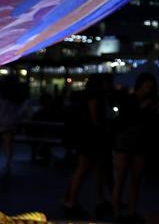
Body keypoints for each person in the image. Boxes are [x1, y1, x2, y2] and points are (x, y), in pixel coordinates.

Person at [63, 73, 113, 219]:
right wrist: (104, 128)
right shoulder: (95, 97)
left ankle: (71, 200)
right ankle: (72, 201)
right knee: (85, 169)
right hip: (92, 138)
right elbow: (95, 120)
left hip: (86, 137)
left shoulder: (86, 96)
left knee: (84, 170)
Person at [110, 72, 158, 223]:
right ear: (140, 85)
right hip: (125, 142)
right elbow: (125, 119)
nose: (148, 89)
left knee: (135, 180)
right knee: (121, 179)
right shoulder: (130, 100)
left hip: (139, 143)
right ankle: (117, 212)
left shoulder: (150, 102)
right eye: (146, 86)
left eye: (150, 87)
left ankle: (130, 212)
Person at [0, 77, 25, 176]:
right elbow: (21, 109)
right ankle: (8, 164)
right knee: (8, 145)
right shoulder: (16, 98)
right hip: (10, 122)